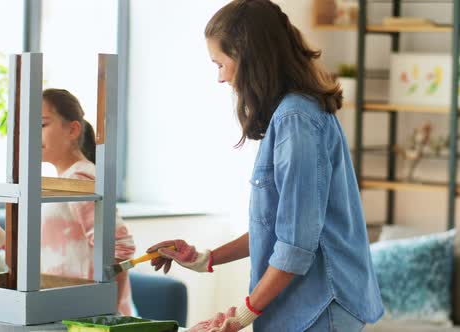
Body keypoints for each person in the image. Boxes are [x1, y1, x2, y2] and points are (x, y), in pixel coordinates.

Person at [147, 1, 384, 331]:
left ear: (247, 57)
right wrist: (205, 259)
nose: (220, 77)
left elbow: (295, 247)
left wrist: (240, 317)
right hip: (307, 306)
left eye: (220, 64)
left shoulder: (296, 120)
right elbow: (278, 227)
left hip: (319, 306)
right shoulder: (292, 115)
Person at [0, 88, 136, 315]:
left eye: (42, 125)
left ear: (73, 129)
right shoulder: (61, 182)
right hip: (63, 313)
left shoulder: (80, 178)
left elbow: (120, 250)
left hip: (85, 320)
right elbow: (40, 255)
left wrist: (108, 319)